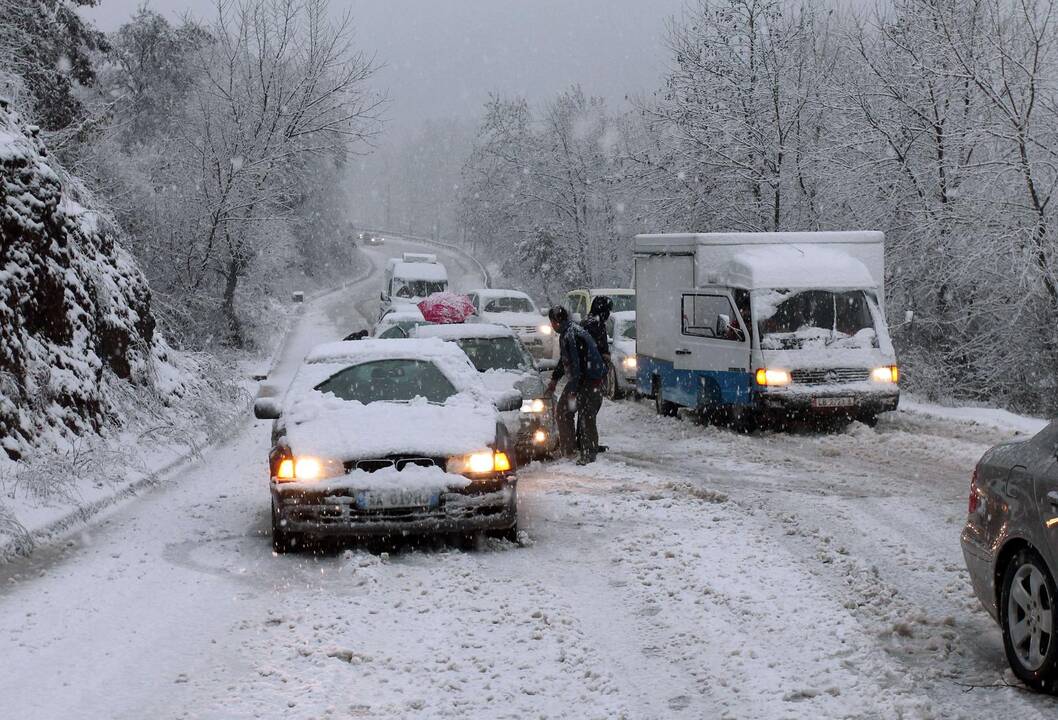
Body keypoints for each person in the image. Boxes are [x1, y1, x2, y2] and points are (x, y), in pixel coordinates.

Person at [544, 305, 606, 464]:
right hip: (583, 380)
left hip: (590, 382)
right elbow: (566, 360)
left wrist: (574, 389)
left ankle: (589, 454)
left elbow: (578, 365)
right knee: (564, 411)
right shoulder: (569, 332)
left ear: (556, 321)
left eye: (552, 322)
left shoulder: (573, 335)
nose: (552, 326)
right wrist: (554, 379)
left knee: (586, 416)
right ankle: (568, 450)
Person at [581, 296, 613, 452]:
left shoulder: (589, 323)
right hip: (592, 376)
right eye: (608, 310)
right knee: (590, 411)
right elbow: (595, 350)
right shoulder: (595, 325)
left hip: (589, 374)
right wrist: (604, 358)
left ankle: (585, 442)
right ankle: (589, 445)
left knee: (587, 411)